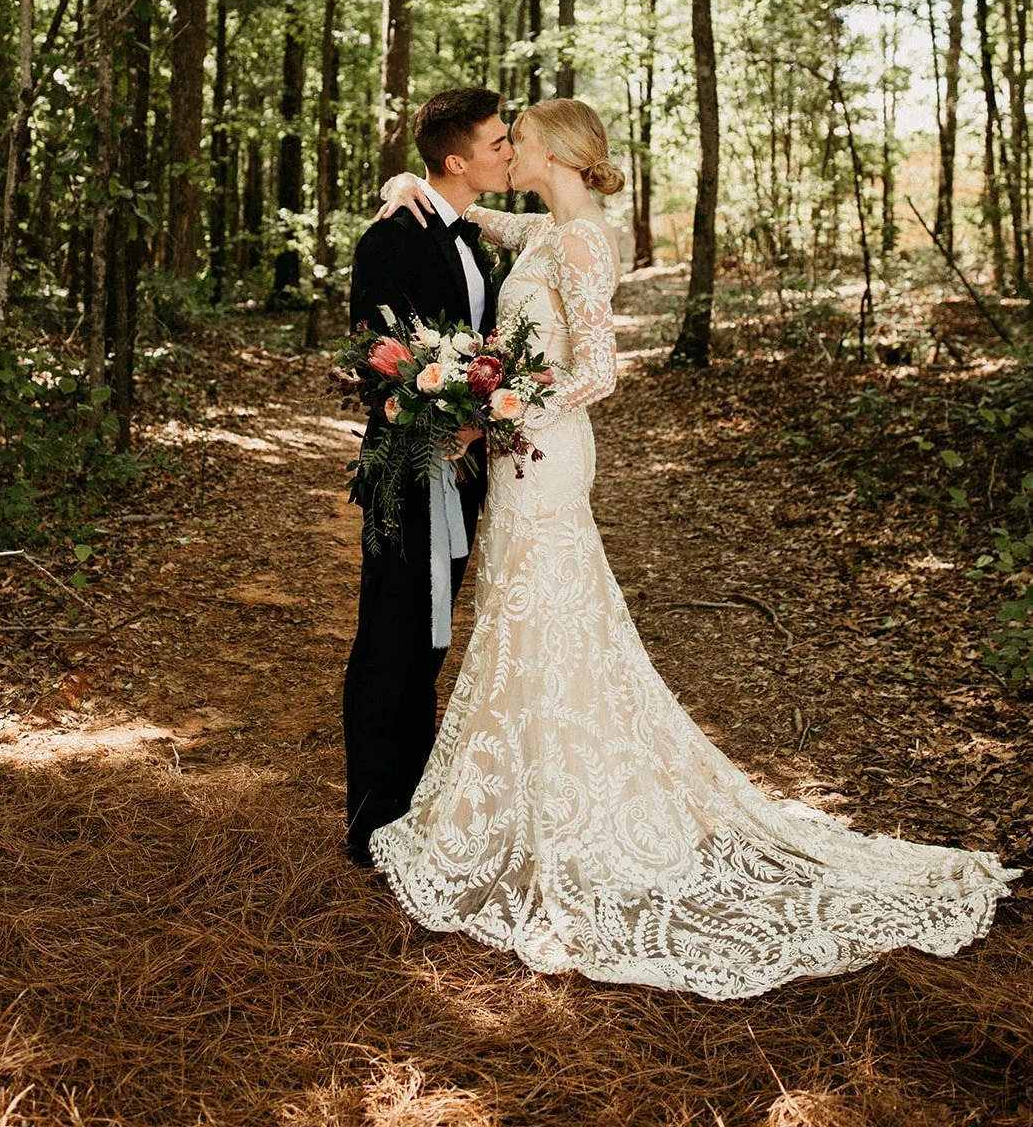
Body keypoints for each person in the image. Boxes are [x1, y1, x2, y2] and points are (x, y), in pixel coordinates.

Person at [367, 96, 1018, 998]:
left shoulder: (584, 240)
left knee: (546, 614)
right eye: (500, 142)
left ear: (556, 152)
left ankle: (580, 815)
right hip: (519, 453)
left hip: (543, 452)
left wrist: (501, 410)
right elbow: (468, 213)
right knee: (526, 621)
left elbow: (600, 371)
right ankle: (530, 799)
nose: (507, 151)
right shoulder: (544, 228)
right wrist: (406, 179)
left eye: (520, 141)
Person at [343, 87, 513, 867]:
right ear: (456, 160)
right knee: (392, 636)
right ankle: (372, 825)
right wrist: (432, 417)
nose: (508, 151)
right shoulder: (391, 237)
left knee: (429, 641)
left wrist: (476, 419)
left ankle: (408, 808)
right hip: (407, 469)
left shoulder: (474, 236)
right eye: (497, 142)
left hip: (465, 465)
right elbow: (371, 354)